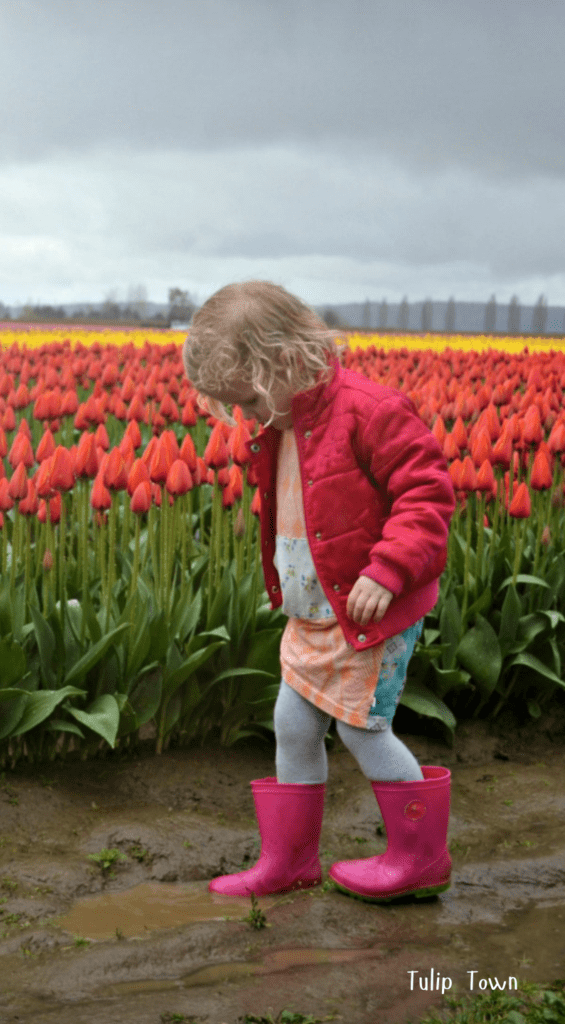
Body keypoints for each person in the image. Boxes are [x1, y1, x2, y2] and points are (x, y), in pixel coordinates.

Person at [182, 281, 457, 903]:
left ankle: (421, 859)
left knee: (364, 729)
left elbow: (428, 495)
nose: (246, 414)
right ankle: (290, 860)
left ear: (281, 359)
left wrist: (387, 569)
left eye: (249, 398)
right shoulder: (282, 421)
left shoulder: (372, 410)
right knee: (291, 724)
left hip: (368, 610)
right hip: (314, 612)